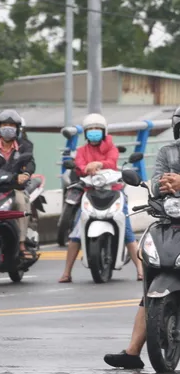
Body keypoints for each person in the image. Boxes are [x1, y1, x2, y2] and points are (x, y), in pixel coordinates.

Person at [105, 106, 180, 369]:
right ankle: (133, 352)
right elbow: (157, 182)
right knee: (152, 286)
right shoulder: (167, 151)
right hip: (170, 220)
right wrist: (163, 185)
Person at [58, 113, 142, 283]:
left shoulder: (111, 148)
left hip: (113, 191)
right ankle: (66, 272)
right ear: (85, 133)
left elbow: (112, 162)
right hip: (90, 192)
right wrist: (84, 168)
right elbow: (79, 166)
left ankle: (141, 270)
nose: (94, 132)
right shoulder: (82, 151)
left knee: (127, 231)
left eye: (97, 129)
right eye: (90, 129)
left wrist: (99, 164)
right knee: (76, 233)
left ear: (104, 131)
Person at [0, 109, 35, 257]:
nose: (7, 128)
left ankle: (21, 242)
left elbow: (30, 162)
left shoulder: (25, 146)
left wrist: (25, 174)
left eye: (11, 125)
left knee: (21, 204)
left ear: (17, 128)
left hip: (15, 188)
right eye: (4, 124)